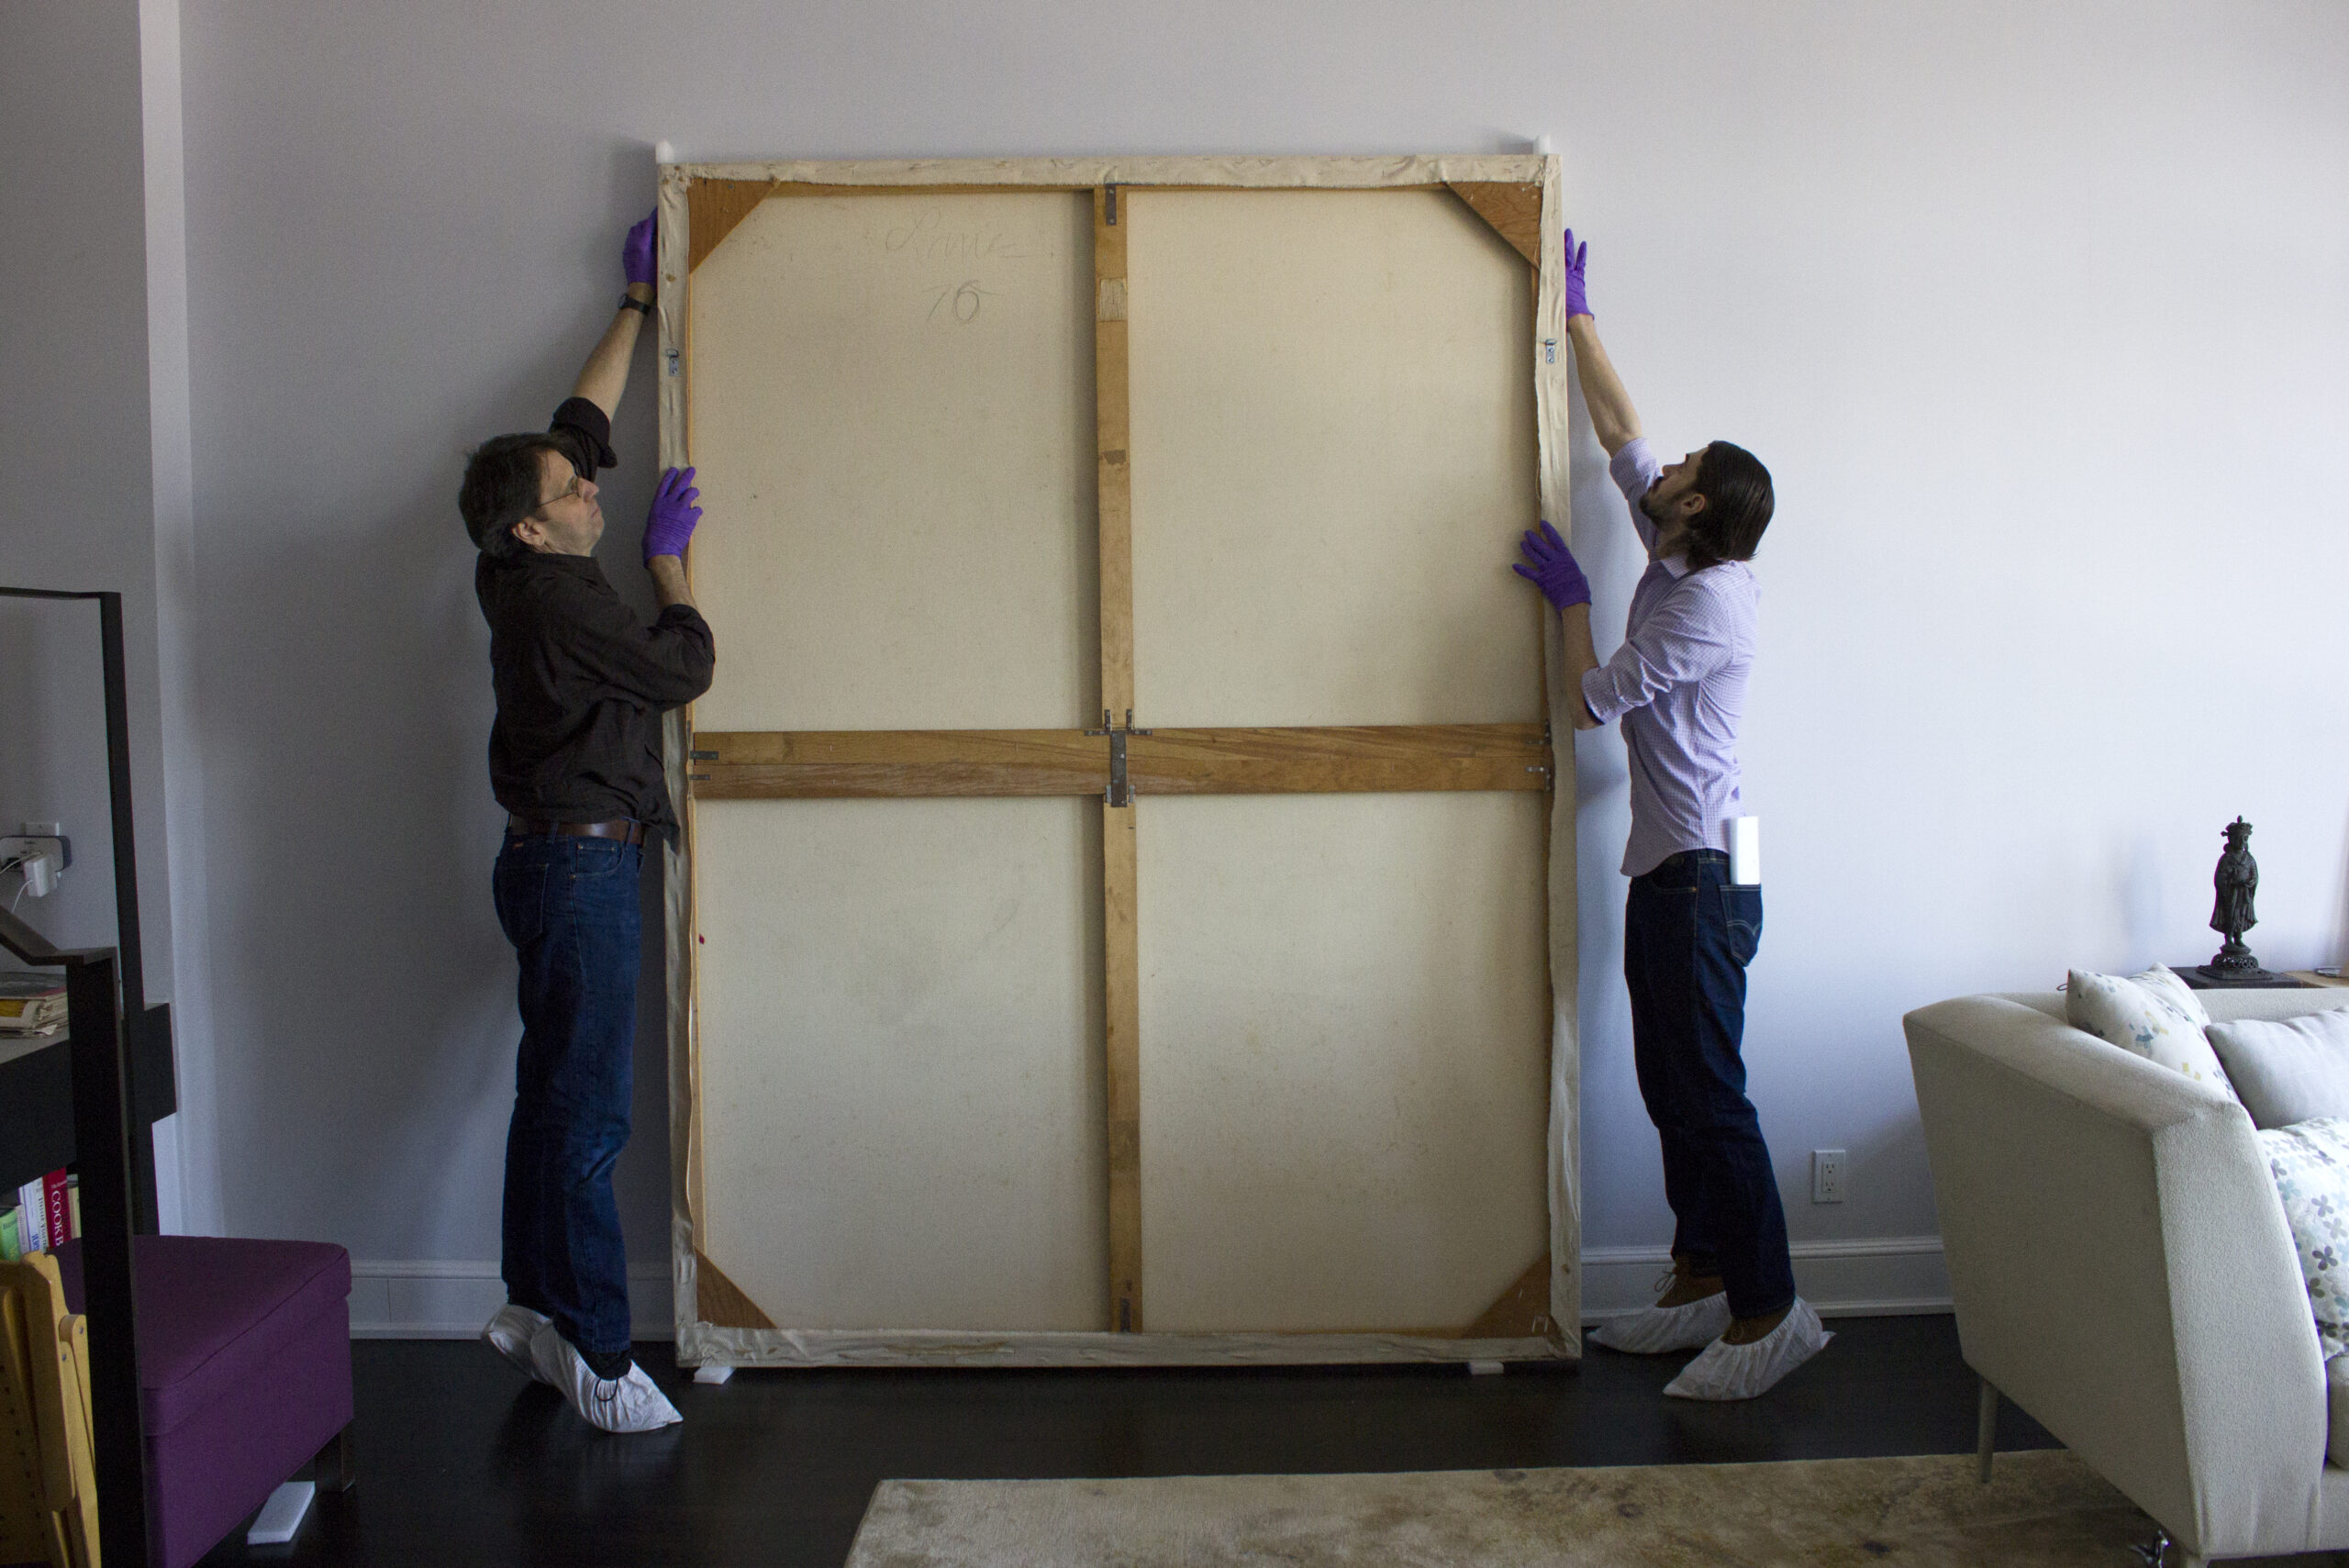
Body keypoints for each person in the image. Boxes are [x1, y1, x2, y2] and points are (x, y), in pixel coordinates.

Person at [1512, 228, 1829, 1401]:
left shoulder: (1707, 612)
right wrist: (1578, 313)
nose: (1663, 467)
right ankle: (1698, 1277)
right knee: (1666, 1078)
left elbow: (1592, 703)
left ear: (1699, 507)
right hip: (1680, 860)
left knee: (1706, 1088)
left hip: (1700, 872)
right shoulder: (1682, 544)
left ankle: (1769, 1308)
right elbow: (1617, 430)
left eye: (1683, 467)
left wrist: (1573, 602)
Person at [455, 213, 715, 1432]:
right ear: (533, 526)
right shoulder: (561, 604)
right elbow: (683, 669)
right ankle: (605, 1360)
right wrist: (672, 571)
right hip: (583, 874)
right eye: (574, 490)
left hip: (548, 864)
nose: (593, 484)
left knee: (548, 1094)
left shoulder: (508, 564)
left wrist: (635, 307)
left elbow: (578, 420)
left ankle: (532, 1309)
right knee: (590, 1114)